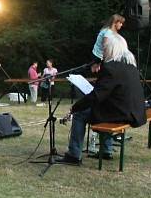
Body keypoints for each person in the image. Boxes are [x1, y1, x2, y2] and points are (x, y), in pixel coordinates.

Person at [56, 33, 145, 165]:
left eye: (105, 48)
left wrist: (75, 108)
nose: (103, 51)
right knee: (104, 109)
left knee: (80, 114)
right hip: (134, 112)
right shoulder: (131, 67)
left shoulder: (111, 68)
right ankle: (106, 150)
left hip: (121, 114)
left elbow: (96, 96)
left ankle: (74, 155)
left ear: (112, 49)